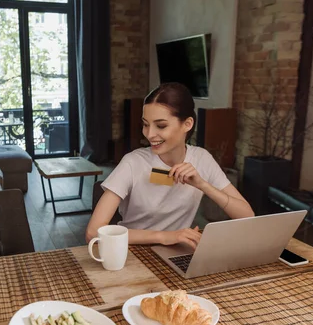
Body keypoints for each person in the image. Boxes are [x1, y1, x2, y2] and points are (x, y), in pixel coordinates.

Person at [86, 82, 254, 250]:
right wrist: (165, 236)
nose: (149, 134)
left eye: (161, 126)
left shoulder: (202, 158)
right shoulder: (133, 162)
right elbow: (93, 232)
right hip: (133, 251)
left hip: (175, 251)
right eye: (145, 124)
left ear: (187, 124)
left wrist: (203, 185)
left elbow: (247, 216)